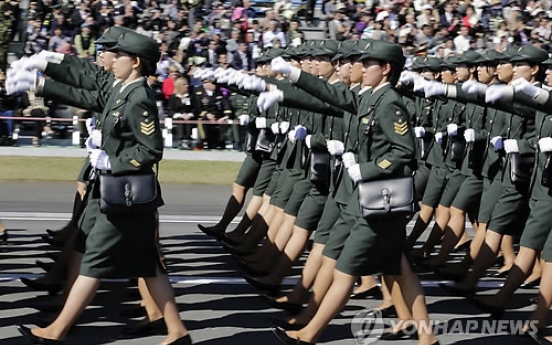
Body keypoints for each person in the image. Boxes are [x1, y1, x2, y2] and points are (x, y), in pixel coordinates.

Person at [13, 31, 192, 345]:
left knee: (94, 259)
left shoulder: (139, 97)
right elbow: (92, 95)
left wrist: (111, 161)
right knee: (148, 263)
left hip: (124, 191)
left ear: (135, 62)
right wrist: (42, 82)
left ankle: (56, 331)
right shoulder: (123, 89)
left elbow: (150, 151)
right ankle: (177, 332)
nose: (110, 60)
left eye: (117, 54)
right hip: (108, 187)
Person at [168, 76, 196, 150]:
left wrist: (189, 115)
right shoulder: (173, 97)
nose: (187, 86)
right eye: (184, 84)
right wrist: (180, 115)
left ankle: (188, 139)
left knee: (187, 121)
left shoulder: (191, 96)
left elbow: (194, 109)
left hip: (189, 116)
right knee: (180, 120)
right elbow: (170, 110)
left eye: (187, 84)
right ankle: (181, 140)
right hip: (178, 117)